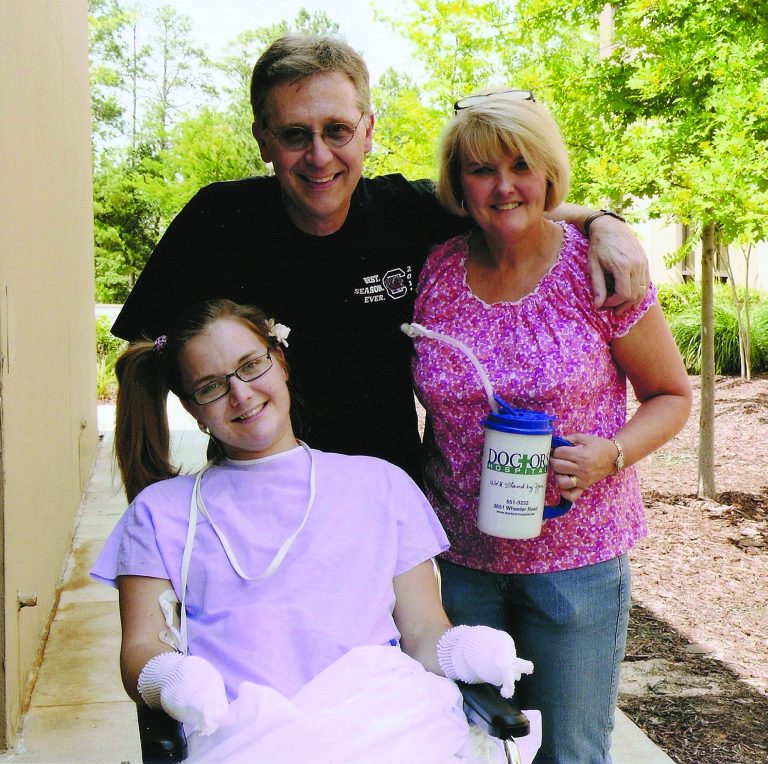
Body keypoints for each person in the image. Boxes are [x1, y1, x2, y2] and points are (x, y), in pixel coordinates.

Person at [110, 34, 650, 482]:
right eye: (295, 135)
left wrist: (602, 221)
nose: (319, 155)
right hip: (252, 497)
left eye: (337, 130)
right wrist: (153, 486)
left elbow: (509, 203)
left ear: (367, 131)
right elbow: (143, 358)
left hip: (386, 502)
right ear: (262, 140)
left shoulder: (407, 213)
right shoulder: (218, 222)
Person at [91, 298, 542, 764]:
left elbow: (423, 631)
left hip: (391, 726)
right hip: (247, 738)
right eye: (211, 386)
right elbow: (141, 646)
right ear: (192, 408)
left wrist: (462, 650)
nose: (240, 394)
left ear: (280, 361)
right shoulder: (161, 512)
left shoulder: (379, 484)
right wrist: (168, 678)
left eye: (251, 365)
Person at [408, 90, 692, 763]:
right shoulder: (435, 270)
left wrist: (611, 454)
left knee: (568, 753)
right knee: (468, 749)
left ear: (548, 173)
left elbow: (671, 395)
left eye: (521, 166)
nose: (504, 186)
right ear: (458, 183)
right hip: (458, 566)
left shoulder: (596, 270)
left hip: (576, 567)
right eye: (482, 169)